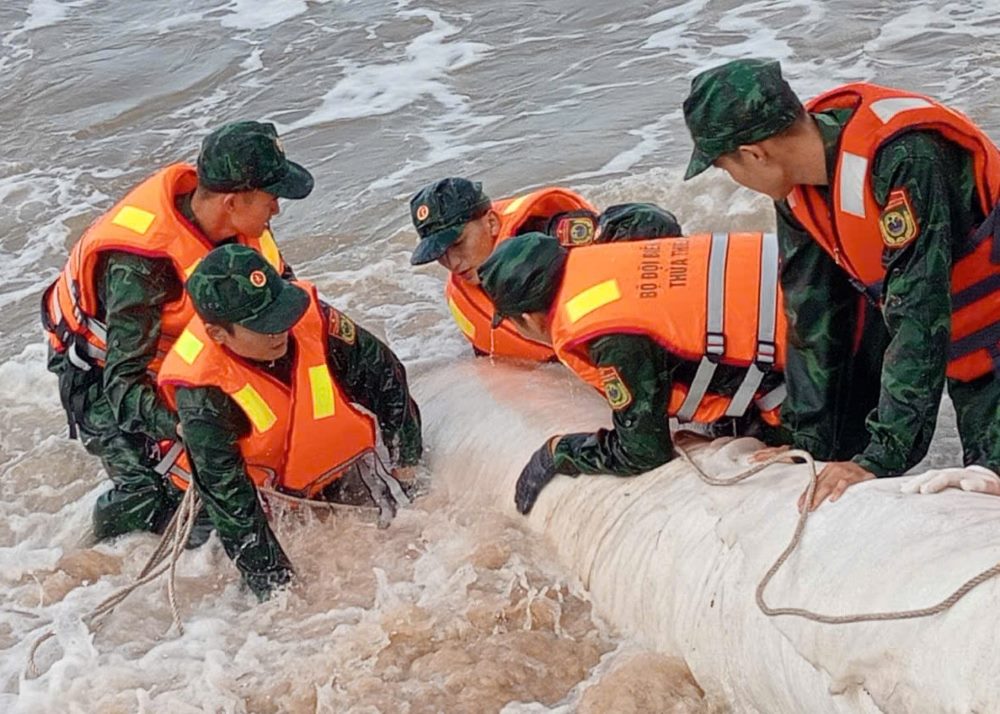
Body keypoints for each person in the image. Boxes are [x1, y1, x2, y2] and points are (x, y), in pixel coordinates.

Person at [682, 59, 1000, 509]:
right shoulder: (798, 192)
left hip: (984, 333)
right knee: (982, 492)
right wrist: (808, 447)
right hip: (972, 350)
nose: (735, 182)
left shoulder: (905, 160)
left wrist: (881, 456)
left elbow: (919, 316)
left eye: (724, 168)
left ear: (754, 153)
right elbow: (814, 322)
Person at [41, 120, 311, 541]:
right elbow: (123, 386)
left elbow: (280, 287)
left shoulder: (243, 225)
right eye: (271, 197)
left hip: (184, 346)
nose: (277, 208)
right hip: (99, 373)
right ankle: (95, 558)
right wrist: (184, 427)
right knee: (151, 493)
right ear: (232, 202)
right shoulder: (141, 270)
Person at [157, 244, 422, 600]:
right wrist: (283, 596)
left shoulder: (313, 320)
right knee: (234, 578)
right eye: (262, 326)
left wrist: (407, 462)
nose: (279, 330)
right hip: (260, 493)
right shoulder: (203, 395)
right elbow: (232, 505)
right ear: (219, 334)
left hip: (332, 466)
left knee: (408, 529)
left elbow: (386, 377)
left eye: (280, 313)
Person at [477, 231, 789, 515]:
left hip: (813, 375)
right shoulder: (610, 260)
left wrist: (560, 452)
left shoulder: (608, 334)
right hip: (806, 286)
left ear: (528, 318)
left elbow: (643, 452)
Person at [409, 178, 682, 359]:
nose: (453, 263)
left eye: (458, 243)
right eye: (440, 254)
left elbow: (652, 222)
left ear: (491, 222)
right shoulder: (463, 294)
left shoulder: (549, 236)